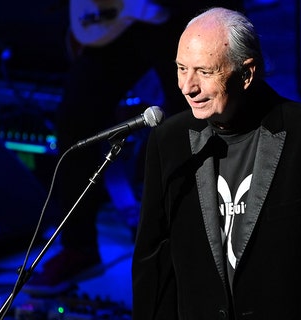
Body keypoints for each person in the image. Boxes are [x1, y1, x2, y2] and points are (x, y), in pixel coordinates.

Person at [132, 7, 301, 319]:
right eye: (181, 68)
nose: (188, 87)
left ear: (247, 73)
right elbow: (154, 265)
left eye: (204, 72)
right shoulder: (169, 141)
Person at [23, 1, 244, 296]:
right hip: (124, 22)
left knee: (195, 119)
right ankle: (79, 246)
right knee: (75, 117)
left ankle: (207, 249)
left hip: (180, 16)